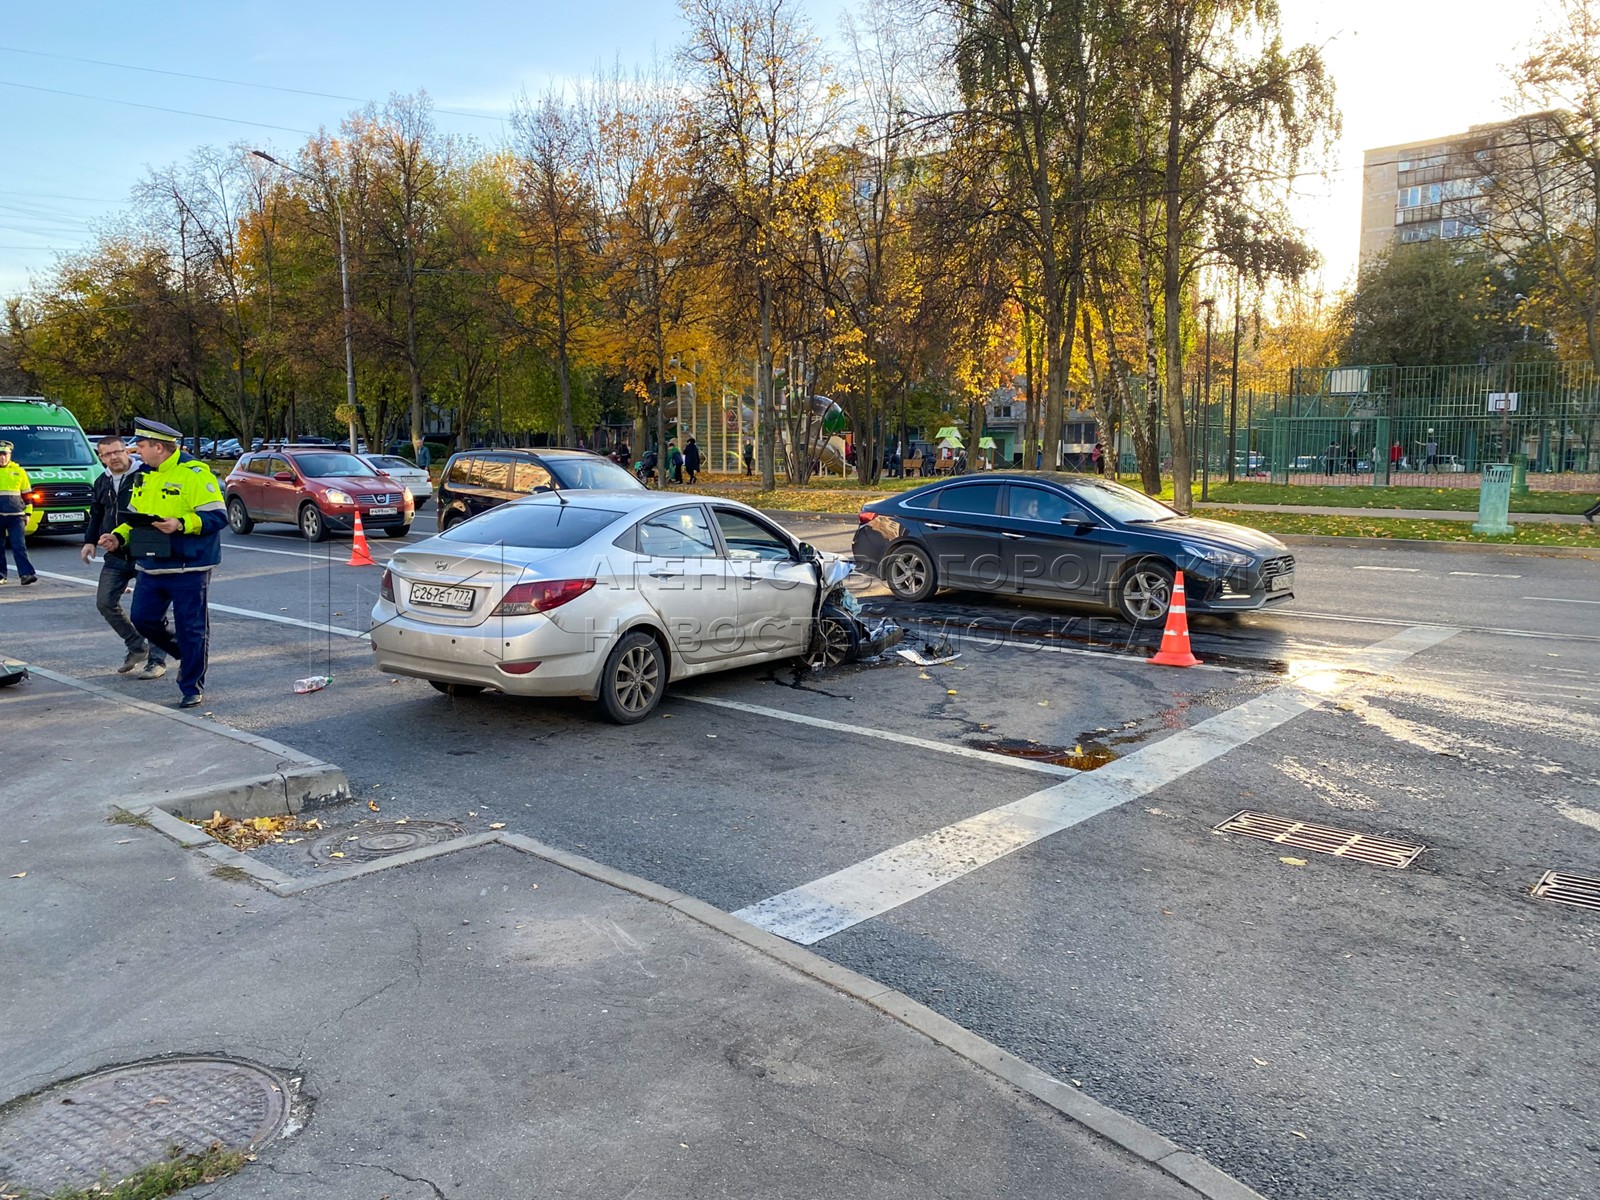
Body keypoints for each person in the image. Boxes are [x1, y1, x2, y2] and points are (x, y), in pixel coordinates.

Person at [96, 418, 227, 709]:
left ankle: (191, 685)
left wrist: (181, 524)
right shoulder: (144, 475)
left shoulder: (194, 474)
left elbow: (218, 517)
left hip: (189, 567)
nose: (136, 452)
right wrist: (117, 537)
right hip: (152, 563)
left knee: (192, 628)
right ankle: (186, 653)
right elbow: (135, 519)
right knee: (143, 619)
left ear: (158, 447)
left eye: (141, 446)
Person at [81, 436, 167, 678]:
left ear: (127, 451)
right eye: (108, 454)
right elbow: (96, 513)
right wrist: (89, 541)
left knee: (150, 609)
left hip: (145, 550)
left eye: (118, 451)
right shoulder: (102, 481)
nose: (114, 457)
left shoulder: (147, 476)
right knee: (105, 602)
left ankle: (157, 660)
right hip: (116, 552)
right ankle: (136, 646)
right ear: (101, 457)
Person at [0, 440, 38, 585]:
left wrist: (28, 513)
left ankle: (26, 574)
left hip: (16, 516)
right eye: (0, 455)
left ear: (10, 455)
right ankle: (1, 575)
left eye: (5, 454)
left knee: (19, 545)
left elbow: (27, 495)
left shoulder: (19, 471)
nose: (2, 457)